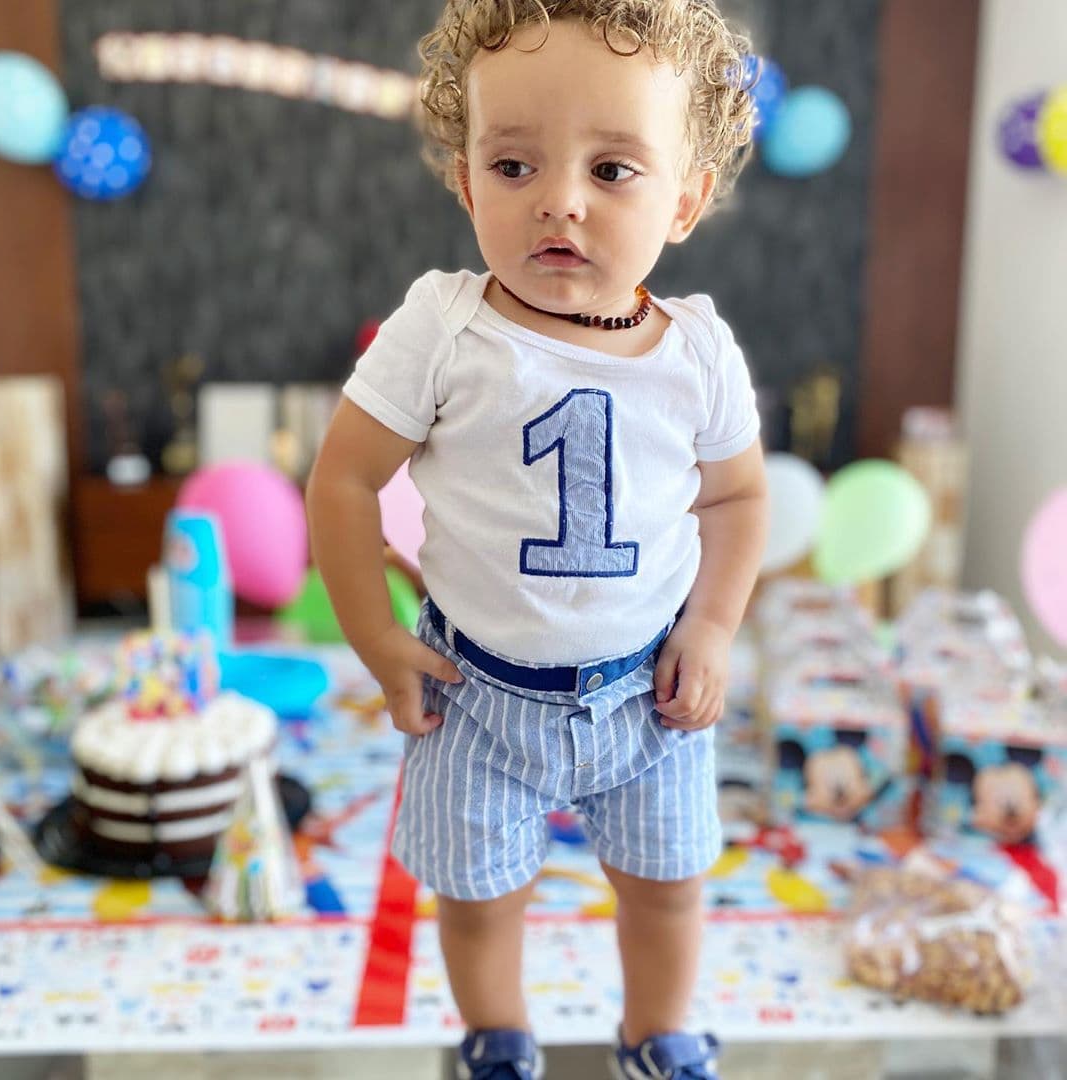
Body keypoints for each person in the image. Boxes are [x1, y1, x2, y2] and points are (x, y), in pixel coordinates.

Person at [307, 2, 768, 1076]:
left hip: (647, 694)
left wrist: (713, 629)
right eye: (514, 166)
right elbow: (342, 481)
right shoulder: (445, 327)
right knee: (478, 897)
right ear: (466, 181)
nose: (559, 201)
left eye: (613, 172)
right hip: (479, 696)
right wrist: (376, 641)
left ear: (688, 198)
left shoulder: (696, 352)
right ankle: (498, 1040)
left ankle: (657, 1036)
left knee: (667, 885)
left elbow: (739, 501)